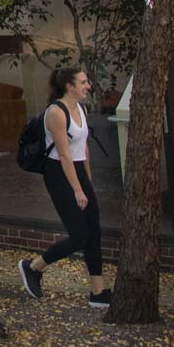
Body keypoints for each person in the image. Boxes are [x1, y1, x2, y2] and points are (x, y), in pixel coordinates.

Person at [19, 64, 112, 308]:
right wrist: (78, 190)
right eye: (83, 82)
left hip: (78, 169)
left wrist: (87, 181)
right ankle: (34, 266)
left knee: (94, 231)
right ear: (69, 86)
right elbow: (64, 156)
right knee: (80, 236)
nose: (88, 86)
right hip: (59, 173)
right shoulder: (56, 113)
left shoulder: (80, 108)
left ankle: (98, 292)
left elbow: (84, 148)